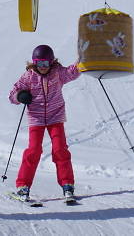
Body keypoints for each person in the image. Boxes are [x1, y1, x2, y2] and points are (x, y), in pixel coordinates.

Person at [8, 44, 81, 201]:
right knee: (33, 150)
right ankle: (23, 187)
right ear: (34, 63)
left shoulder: (57, 73)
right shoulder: (28, 76)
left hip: (56, 117)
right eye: (39, 63)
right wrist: (20, 96)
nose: (42, 67)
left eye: (45, 63)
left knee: (60, 149)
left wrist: (82, 61)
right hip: (36, 119)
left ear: (51, 62)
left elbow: (71, 73)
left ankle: (67, 185)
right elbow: (12, 94)